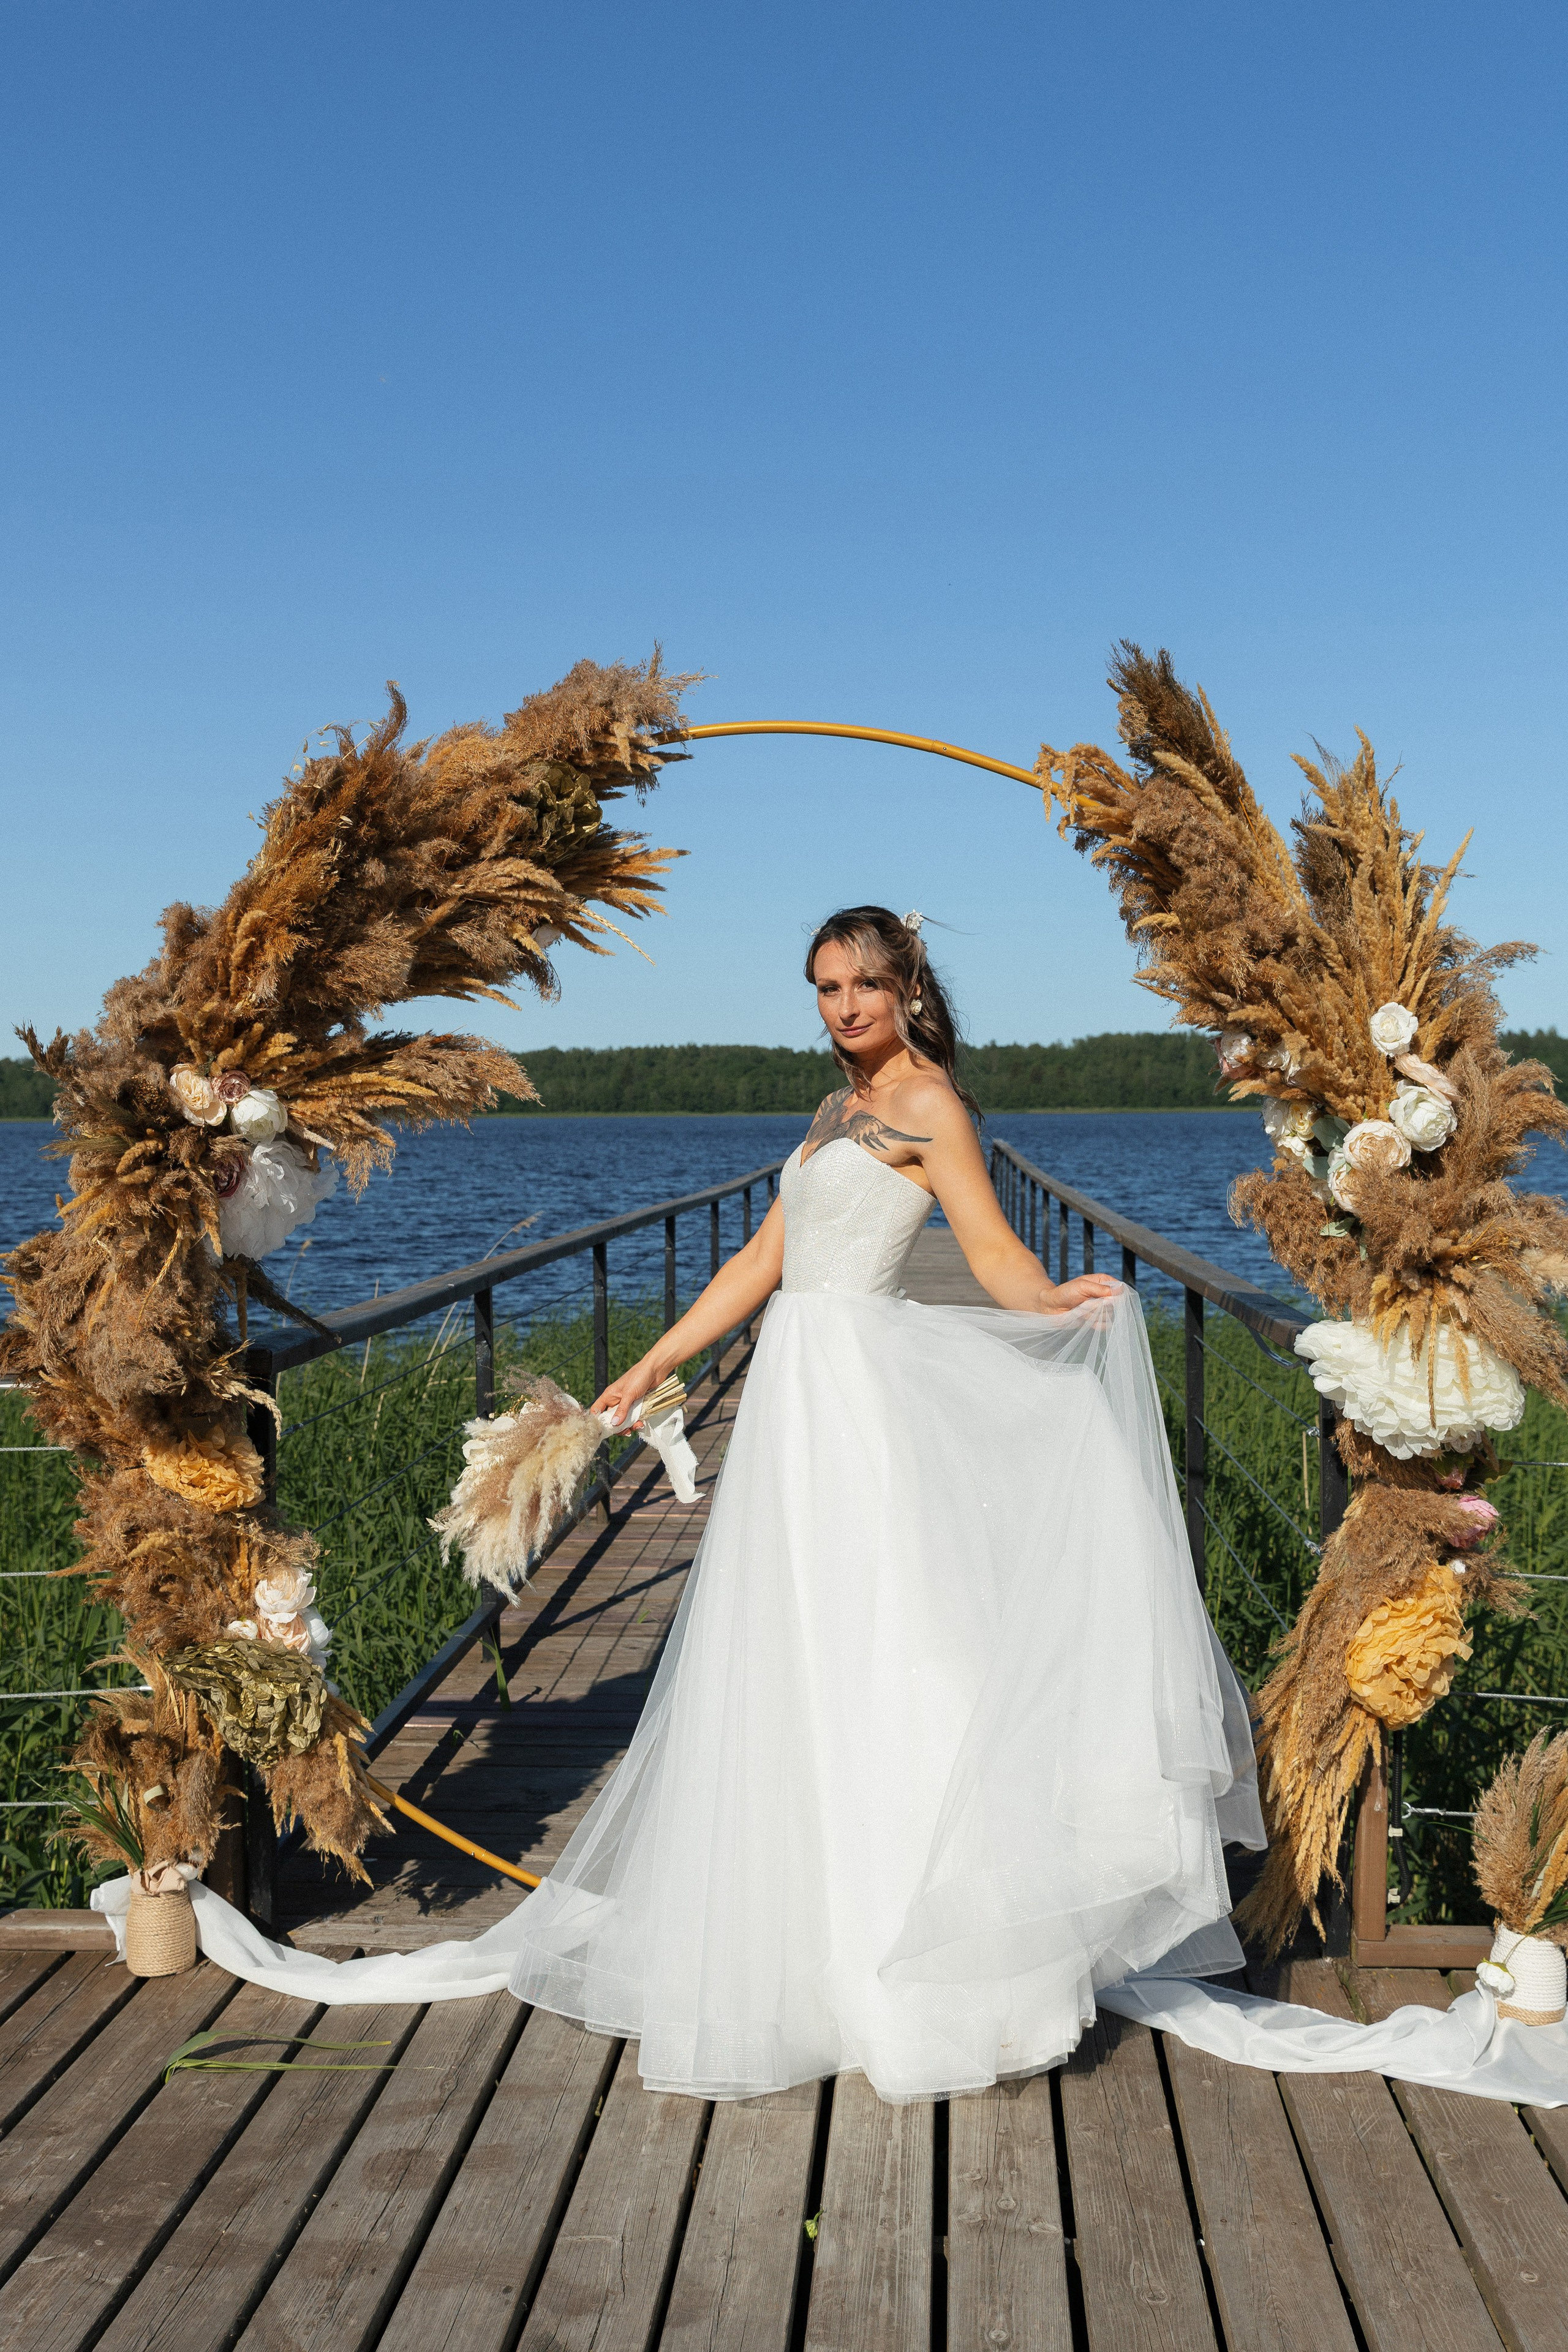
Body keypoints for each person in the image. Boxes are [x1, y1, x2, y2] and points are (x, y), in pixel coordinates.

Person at [96, 906, 1568, 2112]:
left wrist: (1059, 1299)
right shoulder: (833, 1109)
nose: (843, 1007)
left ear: (907, 988)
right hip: (795, 1399)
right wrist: (646, 1370)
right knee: (800, 1654)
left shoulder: (927, 1105)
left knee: (898, 1643)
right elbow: (761, 1263)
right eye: (823, 987)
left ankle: (935, 1965)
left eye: (863, 984)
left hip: (866, 1396)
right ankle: (804, 1940)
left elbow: (987, 1253)